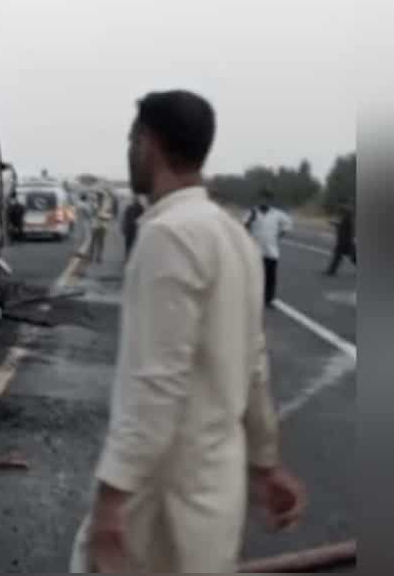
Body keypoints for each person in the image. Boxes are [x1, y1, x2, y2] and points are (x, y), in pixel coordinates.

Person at [70, 90, 306, 573]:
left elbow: (156, 380)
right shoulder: (233, 236)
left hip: (160, 505)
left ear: (148, 142)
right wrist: (265, 462)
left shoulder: (168, 235)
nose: (130, 151)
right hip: (216, 500)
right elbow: (255, 364)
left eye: (132, 139)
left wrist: (113, 496)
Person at [243, 188, 293, 307]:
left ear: (270, 200)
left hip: (271, 250)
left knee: (270, 277)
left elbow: (288, 225)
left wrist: (279, 236)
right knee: (254, 276)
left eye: (266, 199)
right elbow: (244, 226)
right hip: (255, 250)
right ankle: (253, 297)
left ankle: (269, 299)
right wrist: (251, 219)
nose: (264, 201)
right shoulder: (252, 212)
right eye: (262, 199)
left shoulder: (277, 214)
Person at [324, 201, 356, 276]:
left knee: (343, 257)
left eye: (341, 211)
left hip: (345, 242)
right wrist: (335, 224)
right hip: (345, 241)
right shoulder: (346, 218)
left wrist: (335, 223)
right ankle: (331, 271)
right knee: (349, 257)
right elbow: (342, 226)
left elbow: (348, 229)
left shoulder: (347, 219)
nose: (340, 213)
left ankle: (331, 271)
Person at [120, 194, 146, 261]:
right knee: (128, 244)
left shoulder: (140, 208)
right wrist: (123, 226)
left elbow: (144, 217)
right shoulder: (131, 207)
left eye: (136, 199)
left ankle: (129, 257)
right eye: (135, 199)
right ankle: (127, 257)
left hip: (135, 229)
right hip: (130, 229)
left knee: (132, 244)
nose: (135, 200)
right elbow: (125, 218)